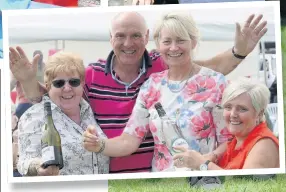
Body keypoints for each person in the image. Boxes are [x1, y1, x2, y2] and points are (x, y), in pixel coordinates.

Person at [10, 11, 267, 175]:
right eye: (167, 41)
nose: (128, 43)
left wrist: (239, 51)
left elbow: (229, 138)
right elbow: (57, 98)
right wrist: (27, 81)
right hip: (147, 180)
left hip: (206, 177)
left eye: (135, 36)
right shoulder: (142, 83)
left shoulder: (208, 81)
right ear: (111, 38)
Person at [17, 52, 109, 176]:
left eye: (74, 82)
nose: (67, 88)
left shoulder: (91, 109)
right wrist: (39, 167)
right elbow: (24, 162)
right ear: (48, 86)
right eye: (59, 83)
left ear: (82, 83)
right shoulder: (34, 116)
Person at [172, 77, 279, 170]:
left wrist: (202, 164)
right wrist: (212, 155)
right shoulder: (240, 138)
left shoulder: (264, 145)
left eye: (242, 109)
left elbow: (246, 186)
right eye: (228, 107)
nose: (233, 114)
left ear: (259, 114)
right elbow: (228, 146)